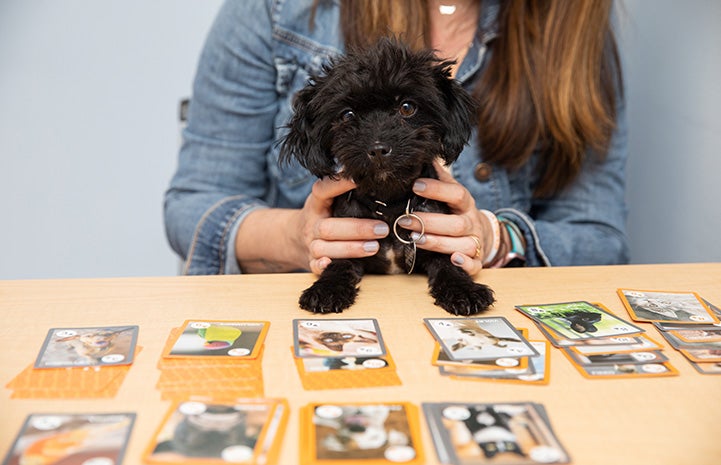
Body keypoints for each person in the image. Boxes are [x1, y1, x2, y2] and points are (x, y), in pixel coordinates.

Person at [164, 0, 629, 278]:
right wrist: (295, 236)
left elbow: (600, 240)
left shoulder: (568, 35)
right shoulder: (280, 10)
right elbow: (191, 207)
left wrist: (495, 237)